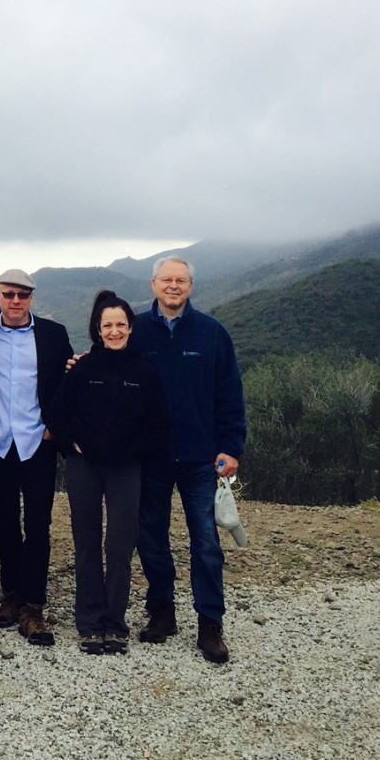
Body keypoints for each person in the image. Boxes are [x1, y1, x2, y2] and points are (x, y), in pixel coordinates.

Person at [130, 257, 247, 664]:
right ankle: (162, 613)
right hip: (151, 457)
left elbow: (230, 394)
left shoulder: (213, 333)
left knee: (207, 544)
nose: (174, 286)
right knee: (151, 538)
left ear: (191, 287)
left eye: (181, 280)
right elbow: (111, 370)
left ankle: (210, 624)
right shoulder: (136, 331)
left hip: (201, 459)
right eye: (167, 280)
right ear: (154, 285)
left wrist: (232, 447)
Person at [50, 290, 168, 655]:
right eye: (107, 325)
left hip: (126, 470)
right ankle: (89, 623)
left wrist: (131, 452)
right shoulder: (82, 368)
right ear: (97, 330)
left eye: (120, 324)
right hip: (84, 468)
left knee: (119, 546)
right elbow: (57, 416)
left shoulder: (144, 372)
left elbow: (158, 427)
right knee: (86, 544)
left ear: (131, 328)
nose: (114, 331)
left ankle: (115, 623)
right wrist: (72, 446)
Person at [0, 268, 74, 646]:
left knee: (39, 526)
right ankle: (11, 594)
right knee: (6, 524)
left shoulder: (52, 334)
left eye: (22, 295)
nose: (15, 301)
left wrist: (54, 426)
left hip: (36, 442)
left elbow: (66, 383)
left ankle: (34, 606)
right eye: (8, 294)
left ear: (31, 298)